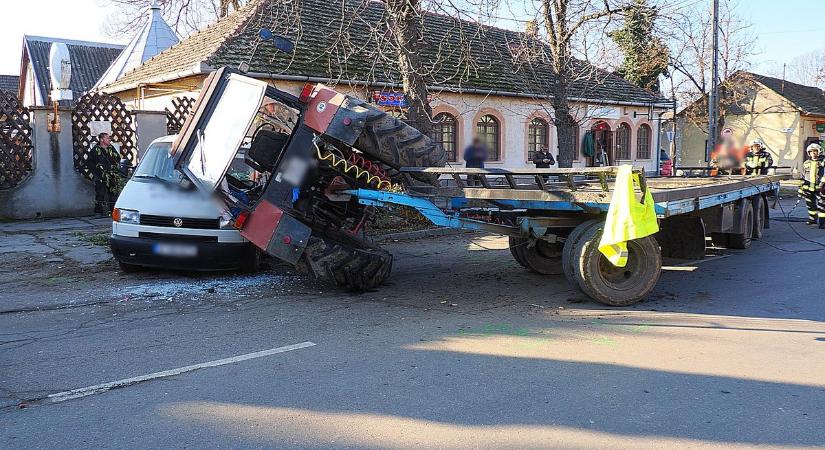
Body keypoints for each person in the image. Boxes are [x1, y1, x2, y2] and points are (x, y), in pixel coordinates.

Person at [89, 132, 122, 216]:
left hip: (112, 174)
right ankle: (98, 212)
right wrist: (98, 172)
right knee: (100, 194)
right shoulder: (95, 150)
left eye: (109, 138)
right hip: (101, 176)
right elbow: (90, 163)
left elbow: (118, 158)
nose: (109, 139)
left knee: (113, 194)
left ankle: (113, 211)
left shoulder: (111, 148)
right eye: (107, 138)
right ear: (101, 139)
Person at [799, 143, 825, 226]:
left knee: (822, 206)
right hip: (809, 189)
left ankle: (822, 223)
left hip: (821, 189)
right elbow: (803, 176)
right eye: (811, 152)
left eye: (815, 152)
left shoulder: (823, 161)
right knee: (810, 206)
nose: (813, 154)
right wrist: (801, 188)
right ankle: (812, 220)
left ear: (819, 152)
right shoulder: (806, 163)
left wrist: (822, 184)